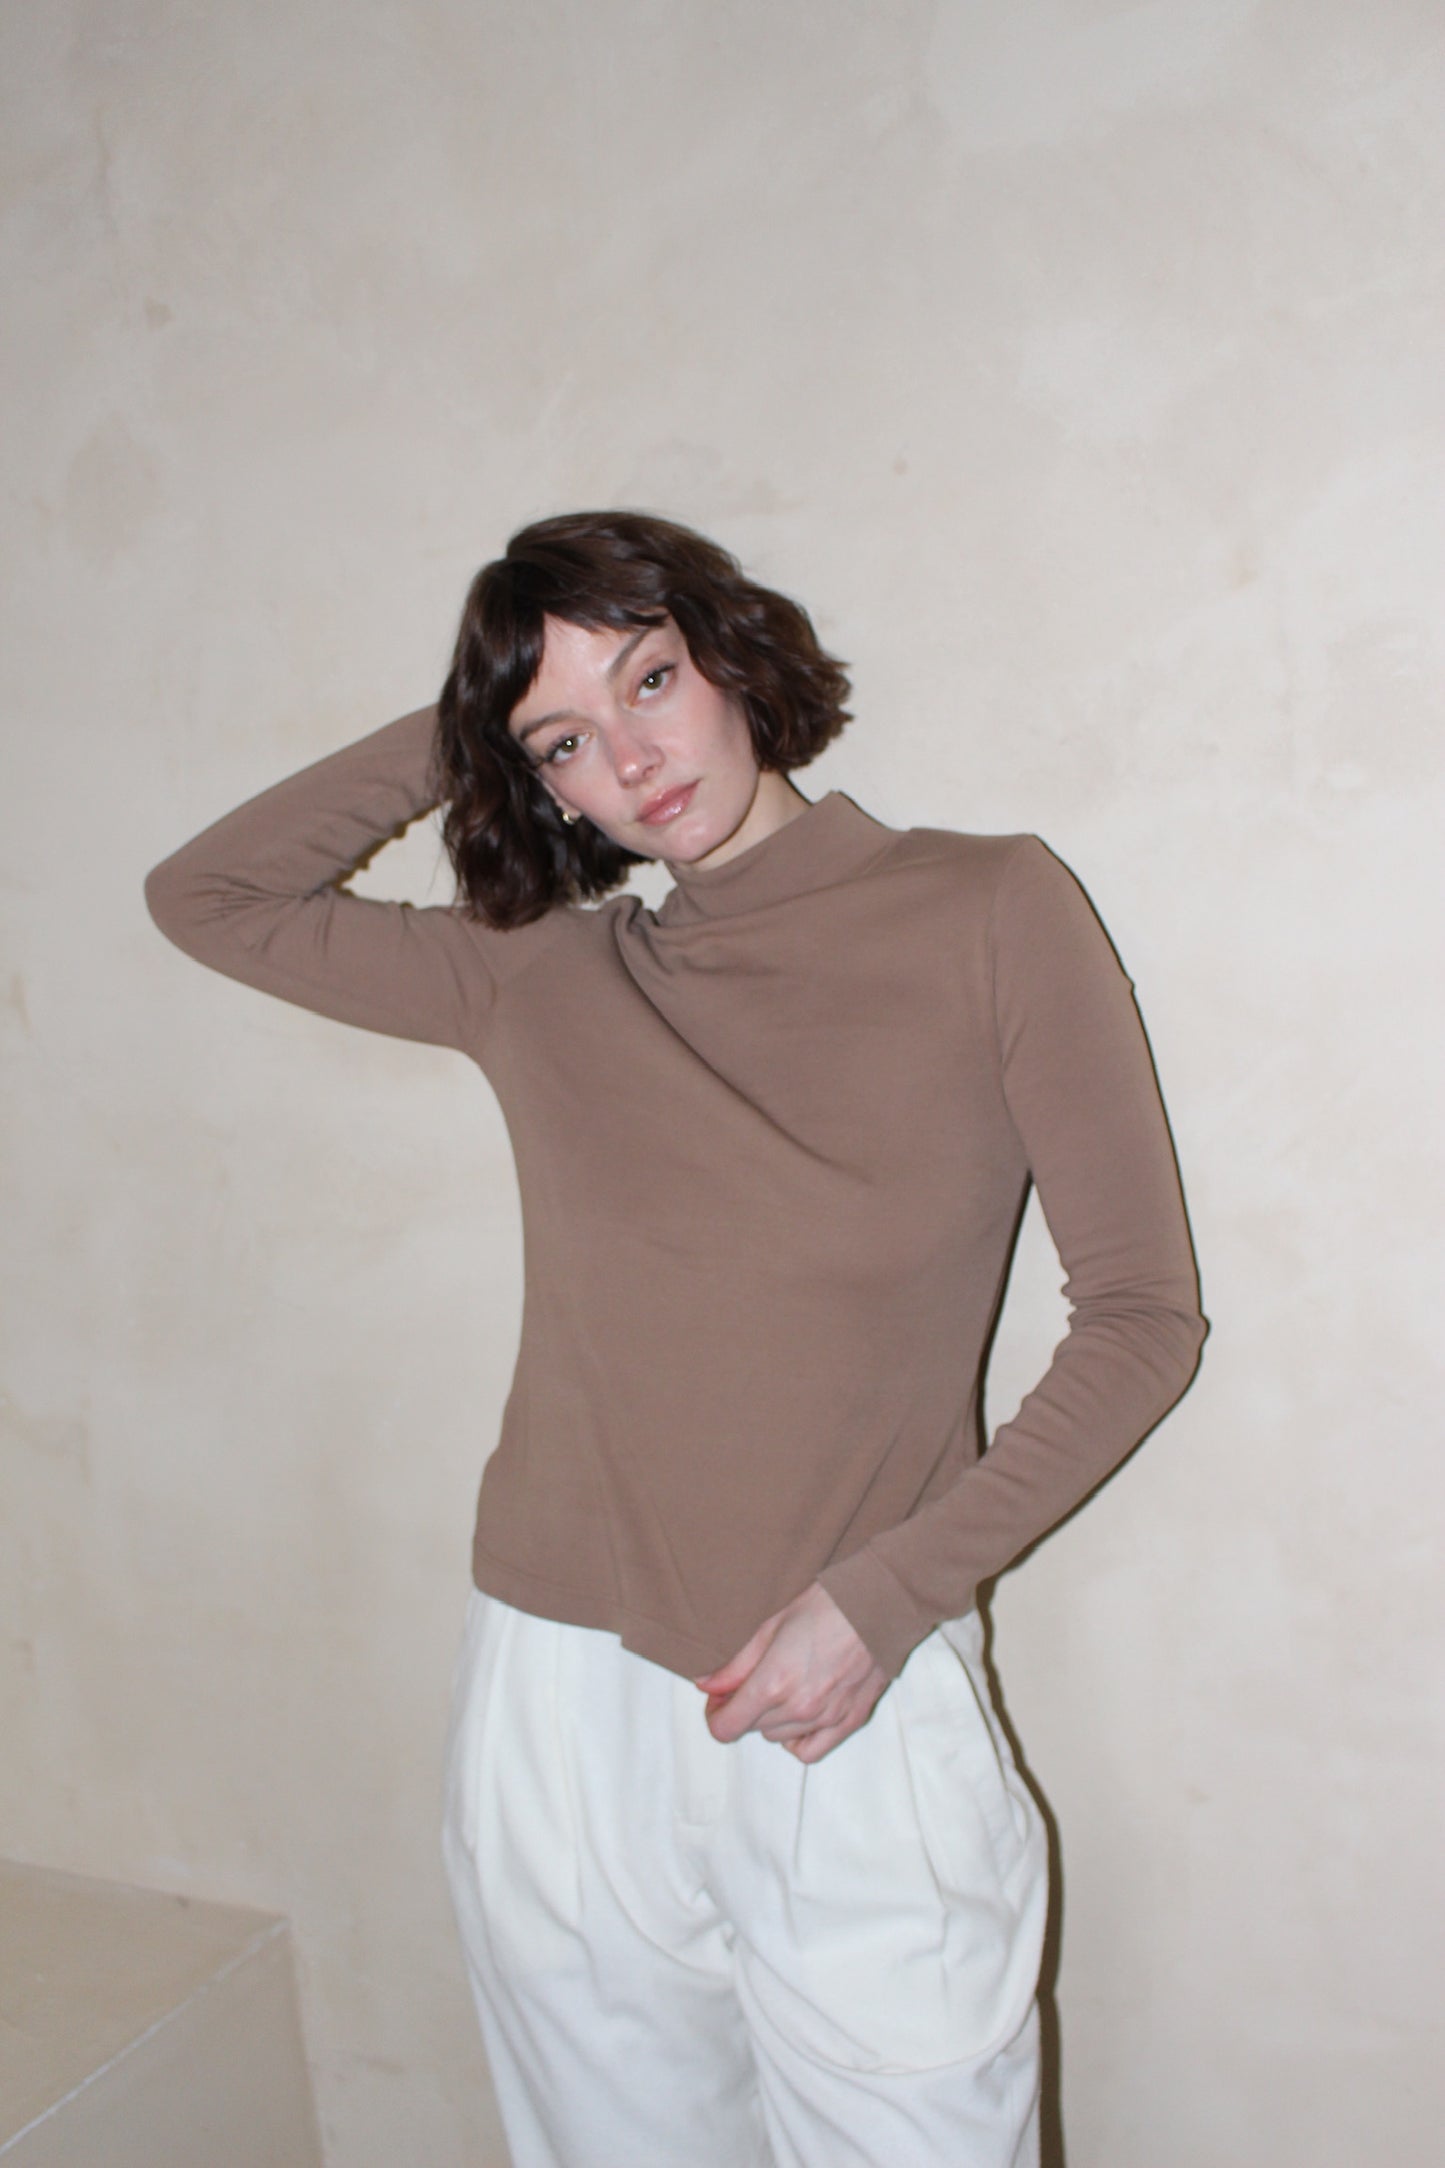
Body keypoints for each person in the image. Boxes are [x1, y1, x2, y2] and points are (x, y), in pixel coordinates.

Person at [145, 510, 1205, 2168]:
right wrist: (479, 706)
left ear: (730, 658)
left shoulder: (989, 905)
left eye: (648, 680)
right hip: (555, 1706)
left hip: (847, 1685)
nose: (630, 759)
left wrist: (887, 1599)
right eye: (564, 741)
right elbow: (208, 897)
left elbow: (1141, 1320)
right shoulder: (542, 978)